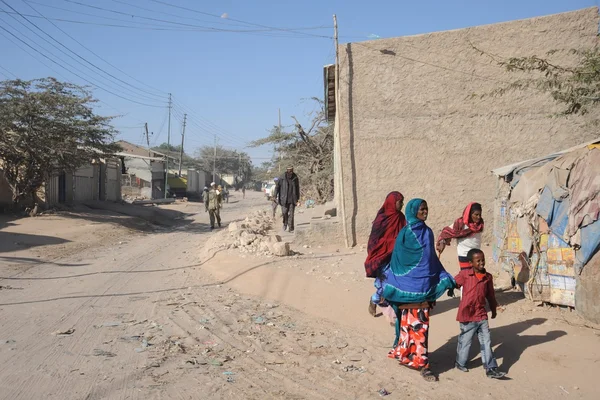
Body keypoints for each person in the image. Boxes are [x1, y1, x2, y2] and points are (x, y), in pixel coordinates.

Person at [378, 199, 456, 382]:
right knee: (409, 326)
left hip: (423, 286)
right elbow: (398, 261)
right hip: (407, 287)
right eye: (421, 209)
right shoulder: (404, 234)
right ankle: (418, 362)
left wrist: (441, 277)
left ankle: (420, 361)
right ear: (413, 211)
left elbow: (428, 260)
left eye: (426, 209)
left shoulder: (427, 232)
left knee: (420, 327)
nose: (425, 212)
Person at [454, 249, 506, 379]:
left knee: (486, 341)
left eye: (483, 260)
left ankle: (491, 368)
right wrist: (448, 287)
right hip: (467, 315)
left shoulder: (488, 277)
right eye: (478, 261)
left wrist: (493, 310)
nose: (482, 262)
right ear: (471, 263)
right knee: (465, 342)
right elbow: (453, 282)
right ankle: (460, 363)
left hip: (481, 314)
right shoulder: (465, 275)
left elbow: (490, 295)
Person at [364, 191, 406, 317]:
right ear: (392, 203)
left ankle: (394, 310)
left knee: (398, 282)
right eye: (400, 202)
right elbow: (374, 239)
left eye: (402, 202)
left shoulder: (401, 218)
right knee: (385, 283)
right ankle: (375, 299)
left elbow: (404, 233)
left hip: (396, 256)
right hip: (382, 256)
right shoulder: (382, 218)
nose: (402, 204)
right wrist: (391, 243)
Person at [436, 202, 484, 270]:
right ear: (469, 214)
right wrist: (442, 241)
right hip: (464, 255)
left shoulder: (480, 225)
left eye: (480, 215)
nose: (478, 217)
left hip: (477, 256)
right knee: (466, 276)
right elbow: (446, 232)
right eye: (476, 215)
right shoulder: (460, 224)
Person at [275, 166, 300, 233]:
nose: (290, 172)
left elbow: (297, 188)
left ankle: (291, 227)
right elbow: (277, 187)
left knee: (291, 214)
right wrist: (275, 195)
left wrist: (298, 199)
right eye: (289, 170)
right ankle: (285, 223)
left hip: (292, 199)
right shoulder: (282, 177)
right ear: (287, 170)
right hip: (283, 199)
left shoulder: (295, 177)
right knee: (284, 213)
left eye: (291, 170)